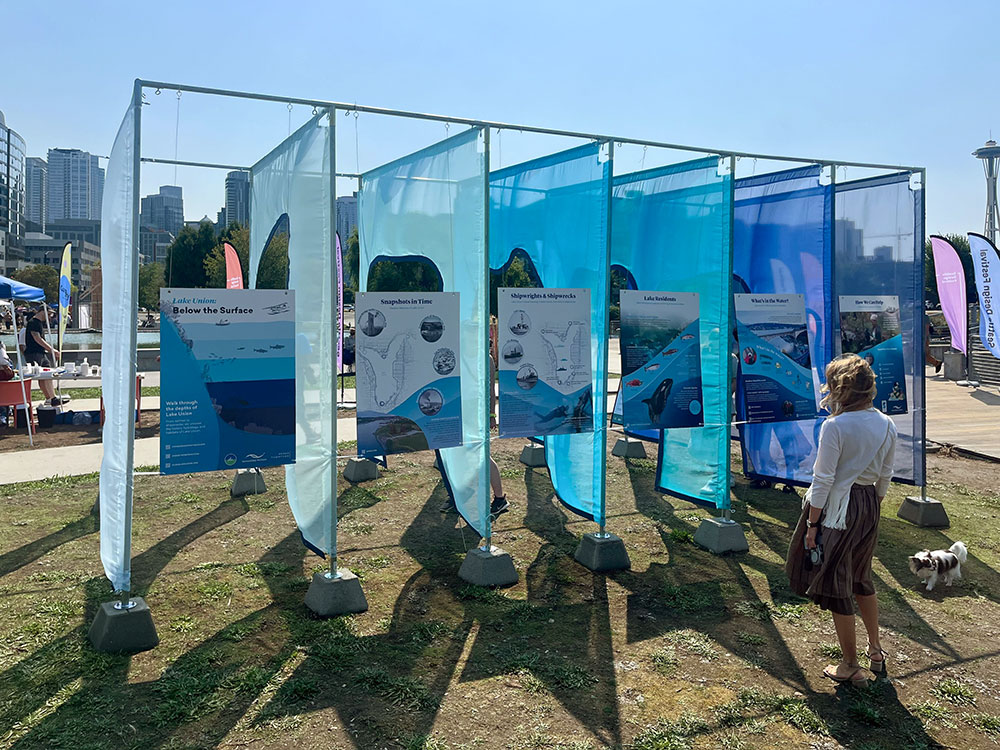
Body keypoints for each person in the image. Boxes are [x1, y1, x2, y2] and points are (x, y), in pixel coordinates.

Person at [785, 353, 897, 684]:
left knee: (837, 584)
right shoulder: (886, 423)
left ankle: (850, 665)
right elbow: (886, 474)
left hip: (838, 510)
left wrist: (812, 524)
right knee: (862, 578)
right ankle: (875, 652)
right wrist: (872, 505)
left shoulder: (835, 427)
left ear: (839, 389)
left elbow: (823, 481)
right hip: (869, 504)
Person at [23, 305, 63, 406]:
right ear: (41, 312)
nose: (49, 317)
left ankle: (51, 397)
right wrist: (52, 350)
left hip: (40, 353)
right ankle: (51, 397)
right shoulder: (33, 323)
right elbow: (37, 338)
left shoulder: (39, 323)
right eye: (48, 314)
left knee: (45, 375)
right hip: (34, 353)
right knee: (44, 374)